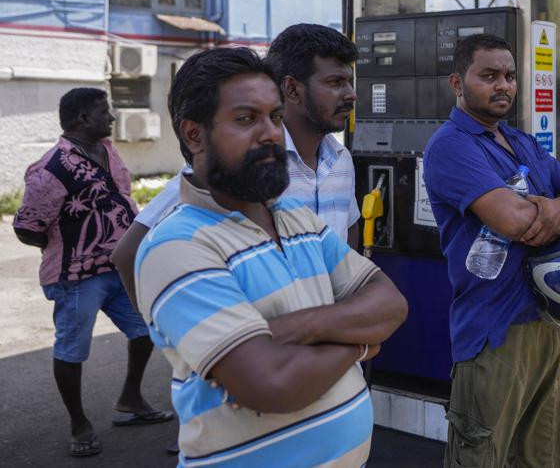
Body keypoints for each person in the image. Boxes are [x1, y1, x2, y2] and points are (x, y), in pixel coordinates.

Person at [133, 47, 407, 466]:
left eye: (275, 118)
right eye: (246, 119)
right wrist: (359, 344)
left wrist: (291, 328)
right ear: (194, 134)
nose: (271, 134)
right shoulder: (176, 246)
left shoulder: (297, 218)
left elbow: (391, 303)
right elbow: (270, 383)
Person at [422, 33, 560, 467]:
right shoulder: (451, 146)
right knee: (484, 454)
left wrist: (557, 206)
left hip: (550, 322)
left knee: (547, 454)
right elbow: (515, 222)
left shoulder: (520, 142)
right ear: (457, 83)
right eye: (489, 76)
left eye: (510, 76)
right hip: (494, 331)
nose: (503, 85)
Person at [113, 23, 362, 308]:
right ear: (292, 89)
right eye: (335, 82)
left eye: (349, 82)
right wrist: (175, 330)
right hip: (261, 346)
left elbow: (348, 229)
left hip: (339, 338)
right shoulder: (248, 164)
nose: (350, 94)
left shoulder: (341, 160)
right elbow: (128, 253)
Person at [13, 88, 172, 458]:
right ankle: (78, 424)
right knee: (72, 349)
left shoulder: (106, 149)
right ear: (83, 119)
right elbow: (26, 227)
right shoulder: (53, 167)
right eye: (105, 112)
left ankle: (130, 402)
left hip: (118, 267)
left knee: (145, 329)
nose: (113, 118)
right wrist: (67, 248)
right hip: (75, 278)